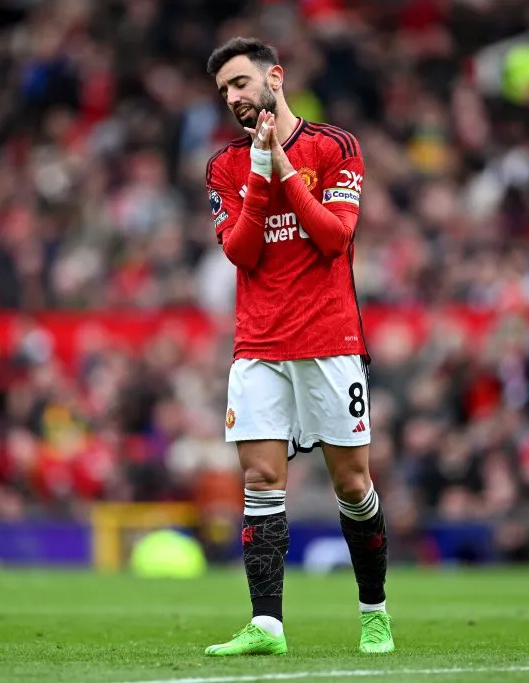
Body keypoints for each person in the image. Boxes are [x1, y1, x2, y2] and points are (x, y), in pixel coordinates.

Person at [202, 37, 393, 656]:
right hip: (257, 346)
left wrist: (281, 163)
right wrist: (258, 173)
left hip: (331, 342)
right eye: (225, 90)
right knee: (261, 479)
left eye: (239, 83)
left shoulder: (335, 148)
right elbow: (241, 252)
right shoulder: (224, 166)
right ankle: (268, 625)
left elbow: (335, 238)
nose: (232, 98)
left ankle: (374, 613)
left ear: (274, 78)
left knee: (352, 485)